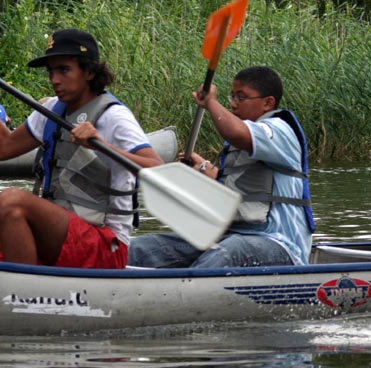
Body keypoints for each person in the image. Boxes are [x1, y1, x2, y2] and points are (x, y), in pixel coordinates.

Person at [0, 28, 163, 268]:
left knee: (12, 201)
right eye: (51, 71)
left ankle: (23, 292)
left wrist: (103, 144)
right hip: (56, 238)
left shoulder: (114, 117)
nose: (54, 80)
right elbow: (3, 149)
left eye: (64, 70)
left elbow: (158, 170)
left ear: (88, 71)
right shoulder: (52, 110)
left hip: (104, 245)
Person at [128, 66, 315, 268]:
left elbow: (235, 132)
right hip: (230, 234)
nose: (233, 104)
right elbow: (241, 192)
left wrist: (211, 102)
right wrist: (203, 169)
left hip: (279, 243)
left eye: (241, 98)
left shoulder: (279, 130)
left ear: (267, 103)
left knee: (227, 252)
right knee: (144, 248)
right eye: (232, 97)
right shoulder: (245, 140)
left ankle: (187, 293)